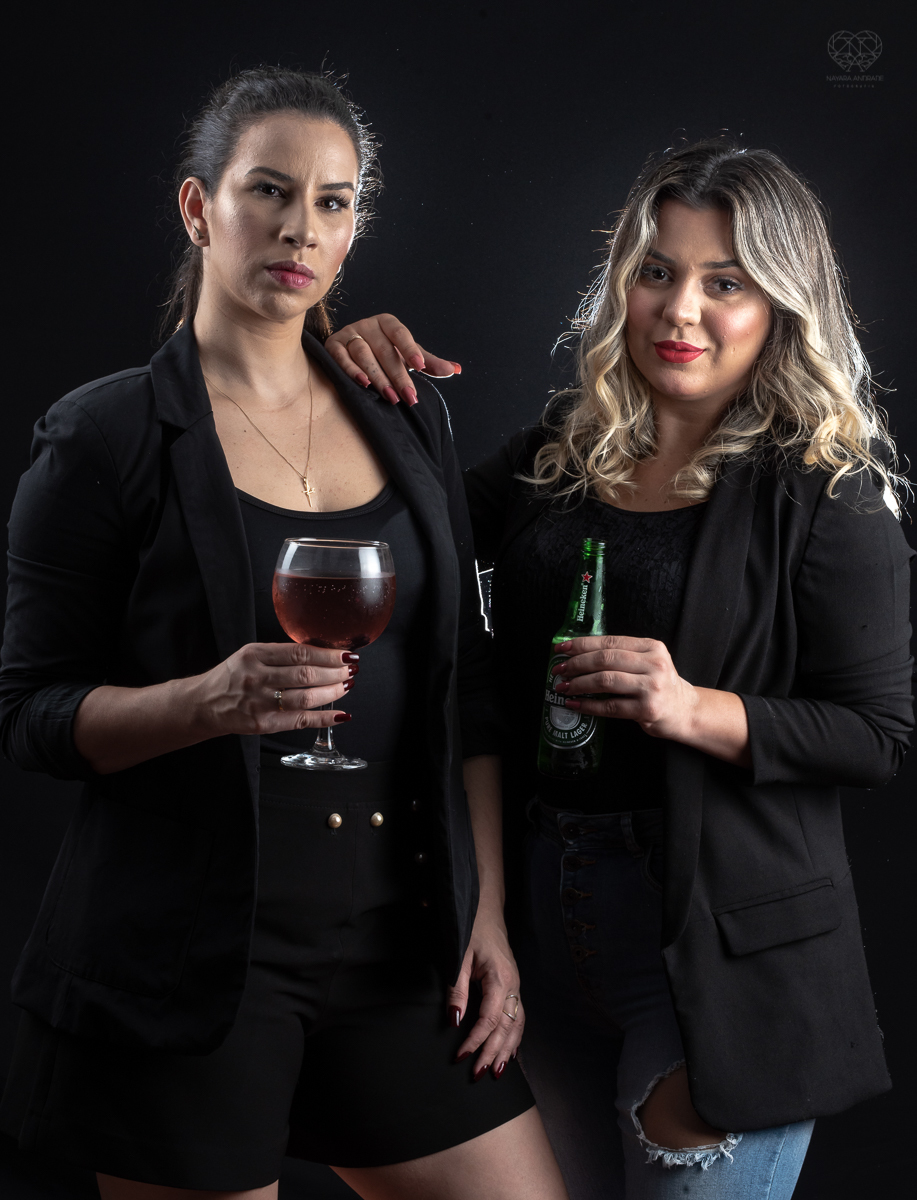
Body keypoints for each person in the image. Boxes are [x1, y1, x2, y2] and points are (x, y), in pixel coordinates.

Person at [0, 68, 571, 1200]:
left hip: (398, 948)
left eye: (332, 201)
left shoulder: (403, 410)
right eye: (268, 190)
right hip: (190, 959)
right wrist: (206, 703)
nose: (300, 227)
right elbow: (30, 714)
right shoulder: (105, 434)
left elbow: (463, 689)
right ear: (198, 207)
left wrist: (486, 915)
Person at [322, 141, 914, 1199]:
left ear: (779, 305)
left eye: (724, 282)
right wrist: (348, 374)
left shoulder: (824, 496)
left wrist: (691, 707)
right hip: (539, 929)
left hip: (713, 957)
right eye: (656, 271)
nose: (679, 310)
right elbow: (402, 531)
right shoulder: (562, 450)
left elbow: (876, 735)